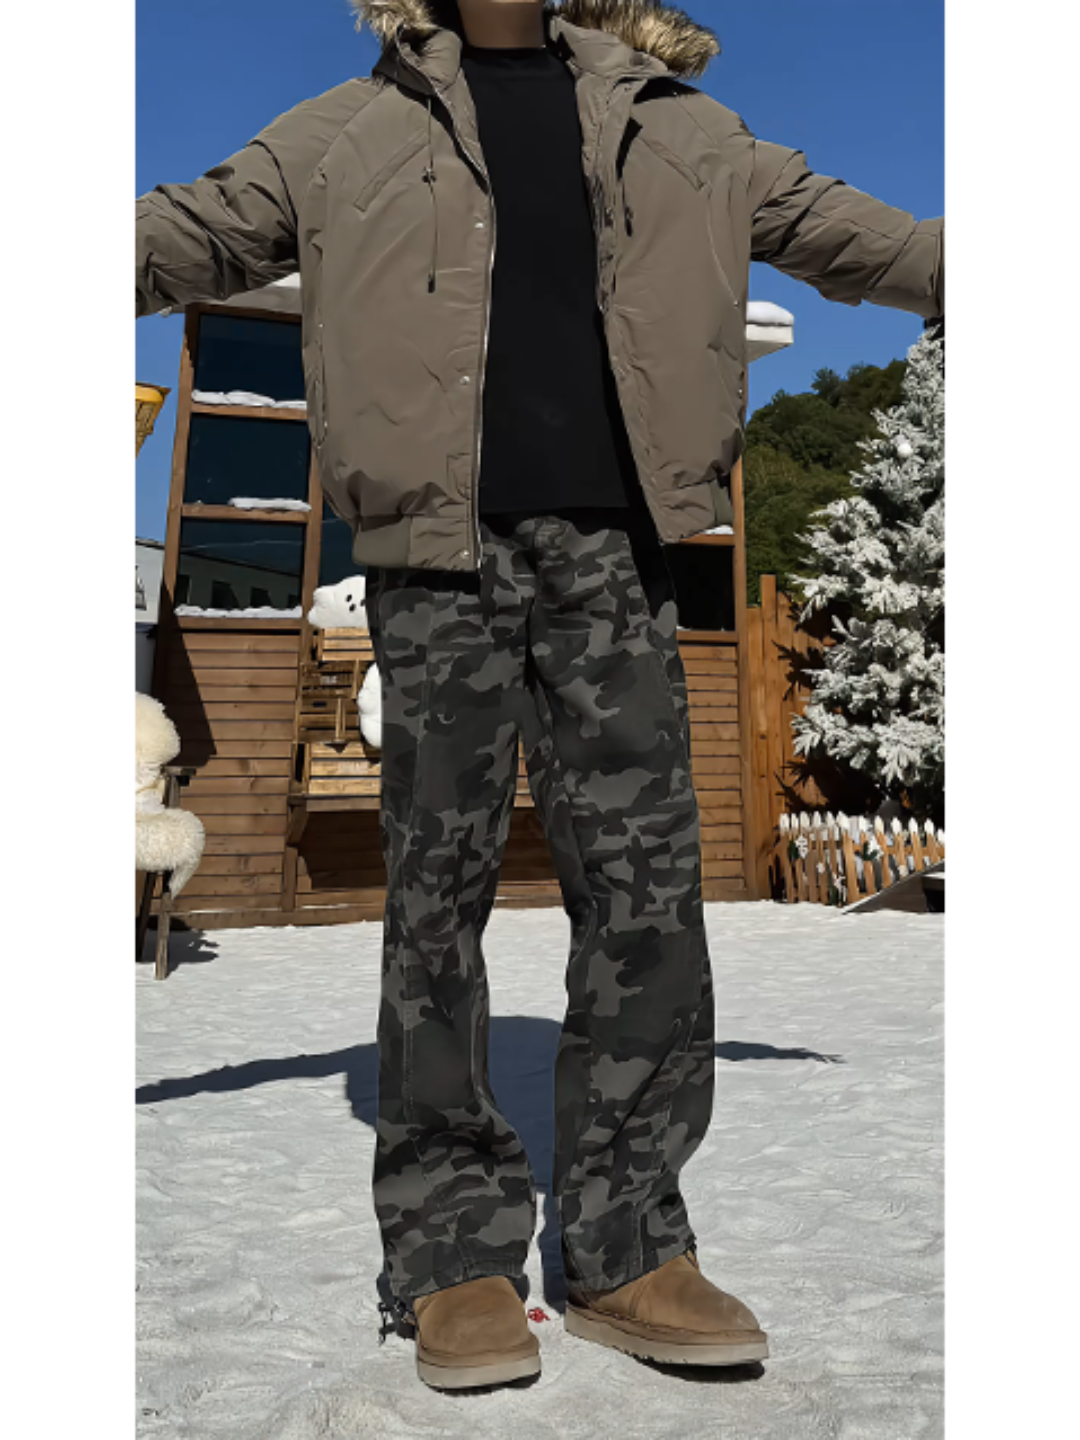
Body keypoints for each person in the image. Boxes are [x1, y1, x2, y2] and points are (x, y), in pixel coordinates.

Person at [136, 0, 944, 1391]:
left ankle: (631, 1243)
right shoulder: (344, 131)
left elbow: (873, 240)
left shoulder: (689, 132)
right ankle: (451, 1252)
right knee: (435, 899)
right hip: (433, 562)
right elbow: (174, 234)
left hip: (618, 555)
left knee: (647, 898)